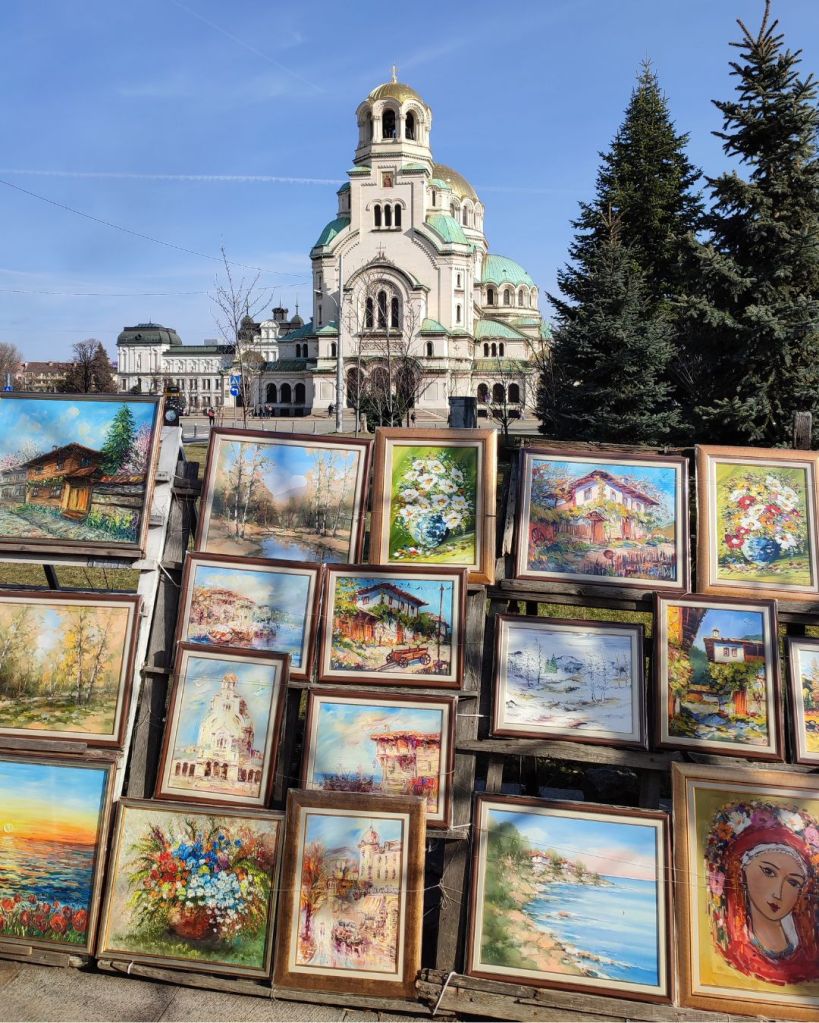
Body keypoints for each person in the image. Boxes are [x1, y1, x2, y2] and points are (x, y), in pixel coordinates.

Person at [705, 799, 819, 984]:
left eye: (793, 882)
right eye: (768, 872)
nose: (778, 893)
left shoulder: (810, 958)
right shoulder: (727, 949)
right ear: (742, 870)